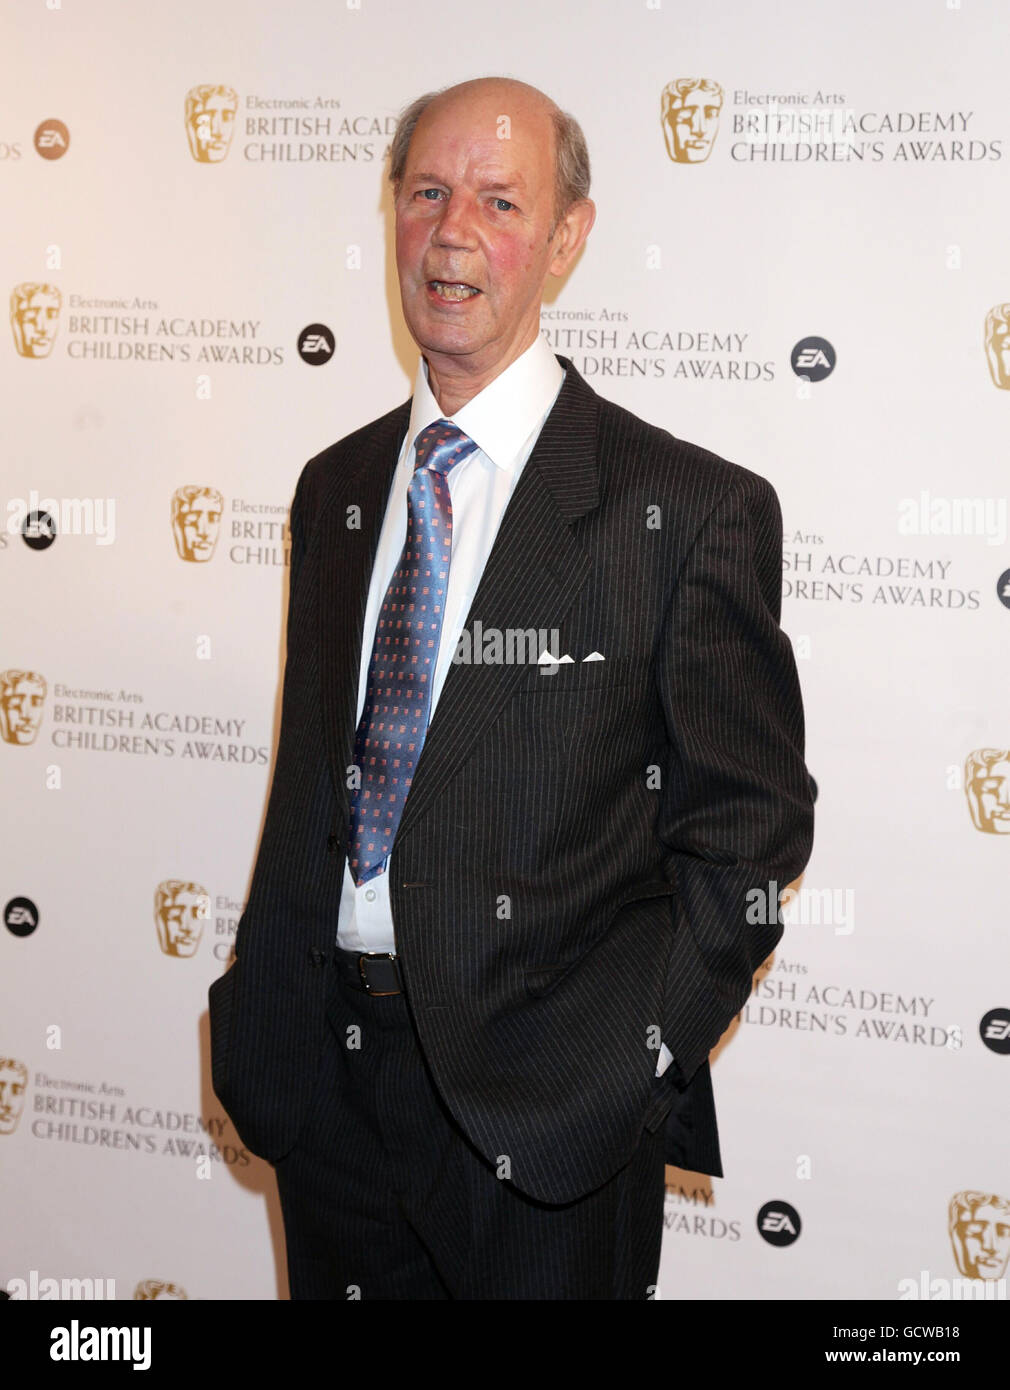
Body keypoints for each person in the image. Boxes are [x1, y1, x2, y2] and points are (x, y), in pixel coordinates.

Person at [208, 75, 814, 1300]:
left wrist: (614, 1076)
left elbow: (748, 835)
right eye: (426, 193)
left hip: (543, 1139)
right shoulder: (335, 488)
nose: (451, 233)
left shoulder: (684, 511)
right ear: (389, 214)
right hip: (324, 1094)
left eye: (497, 200)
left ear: (567, 236)